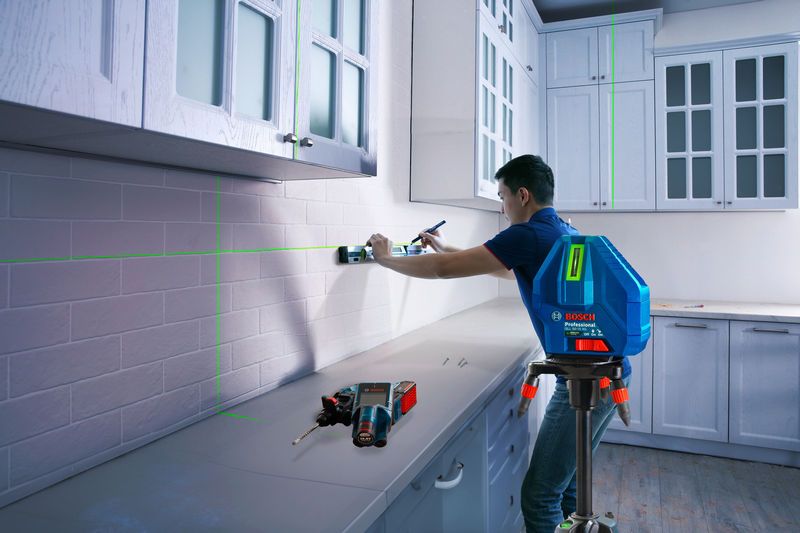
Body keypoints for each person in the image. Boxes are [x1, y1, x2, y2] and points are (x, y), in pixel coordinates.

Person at [366, 154, 631, 533]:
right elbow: (507, 270)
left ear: (522, 195)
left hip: (583, 382)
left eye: (503, 196)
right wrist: (445, 247)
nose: (503, 207)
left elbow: (444, 272)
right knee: (569, 488)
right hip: (606, 374)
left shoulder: (527, 234)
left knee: (539, 497)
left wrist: (387, 259)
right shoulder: (560, 230)